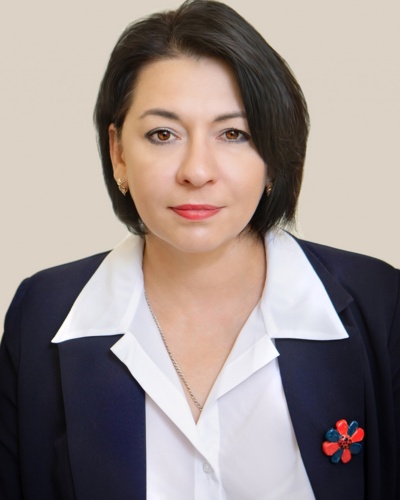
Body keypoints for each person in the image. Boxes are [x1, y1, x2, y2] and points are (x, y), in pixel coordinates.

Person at [0, 0, 399, 498]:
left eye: (233, 133)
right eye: (163, 134)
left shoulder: (381, 302)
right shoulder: (41, 313)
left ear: (274, 157)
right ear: (118, 153)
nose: (196, 171)